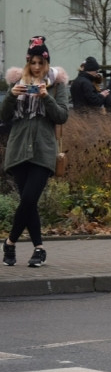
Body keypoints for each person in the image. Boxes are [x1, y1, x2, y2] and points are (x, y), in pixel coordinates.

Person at [0, 36, 69, 267]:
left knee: (29, 198)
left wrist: (45, 97)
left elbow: (62, 116)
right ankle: (39, 249)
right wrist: (12, 95)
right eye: (33, 63)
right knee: (28, 202)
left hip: (43, 150)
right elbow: (3, 116)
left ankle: (9, 242)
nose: (37, 67)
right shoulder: (16, 83)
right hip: (19, 149)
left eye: (41, 62)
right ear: (28, 63)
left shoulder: (57, 86)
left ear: (47, 64)